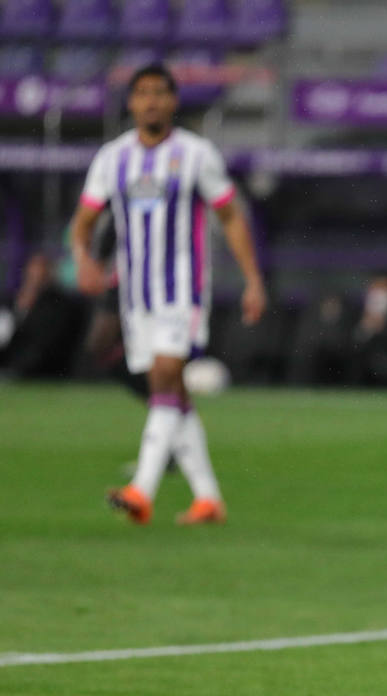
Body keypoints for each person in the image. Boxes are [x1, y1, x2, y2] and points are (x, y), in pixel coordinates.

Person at [69, 62, 266, 526]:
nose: (151, 101)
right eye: (142, 93)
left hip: (183, 291)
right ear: (132, 102)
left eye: (160, 93)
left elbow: (231, 215)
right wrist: (83, 260)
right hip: (135, 296)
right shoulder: (112, 158)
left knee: (163, 376)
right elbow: (83, 220)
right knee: (172, 389)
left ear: (174, 101)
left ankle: (142, 490)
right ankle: (208, 499)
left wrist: (253, 278)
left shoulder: (197, 154)